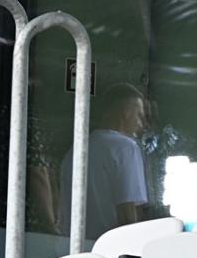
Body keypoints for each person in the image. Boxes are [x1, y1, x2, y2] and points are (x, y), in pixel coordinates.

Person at [59, 83, 151, 240]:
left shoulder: (76, 150)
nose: (141, 125)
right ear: (126, 112)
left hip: (74, 247)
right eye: (139, 116)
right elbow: (127, 212)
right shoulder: (125, 147)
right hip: (109, 249)